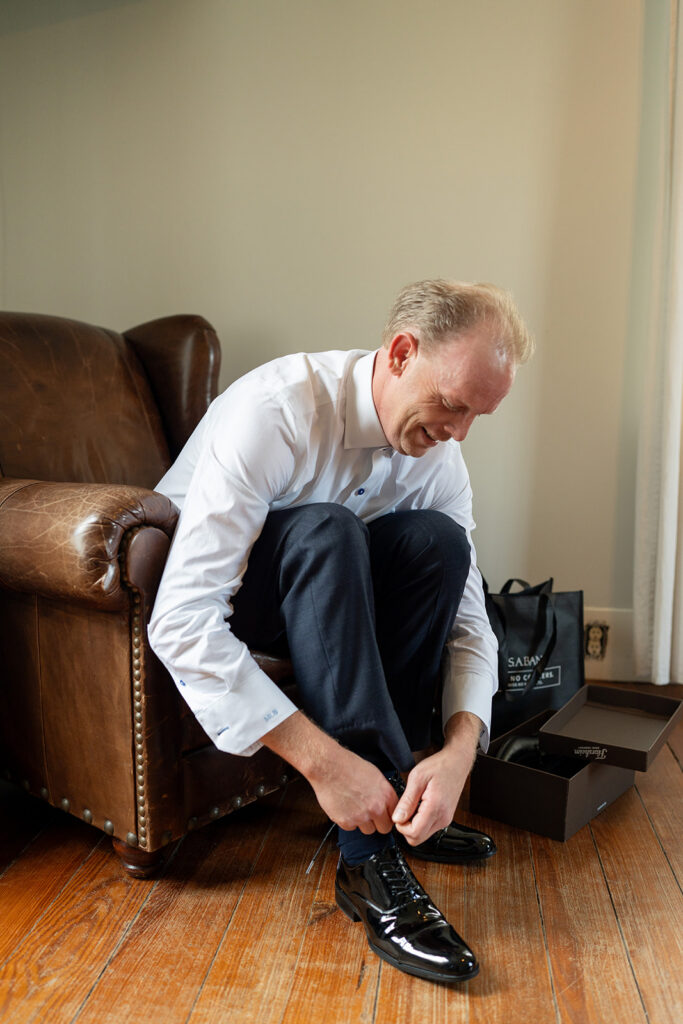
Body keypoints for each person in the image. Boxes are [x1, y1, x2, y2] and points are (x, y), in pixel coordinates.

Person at [148, 279, 534, 984]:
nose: (457, 432)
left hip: (332, 585)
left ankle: (401, 797)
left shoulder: (439, 455)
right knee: (330, 530)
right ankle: (368, 861)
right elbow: (180, 619)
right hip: (231, 596)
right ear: (399, 353)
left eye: (478, 415)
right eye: (452, 404)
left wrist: (457, 753)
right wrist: (325, 767)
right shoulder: (278, 411)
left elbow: (468, 619)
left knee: (436, 543)